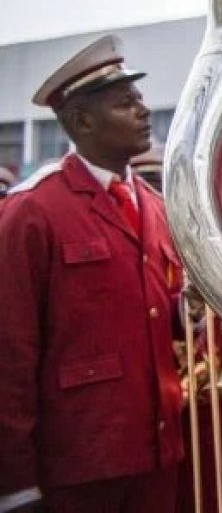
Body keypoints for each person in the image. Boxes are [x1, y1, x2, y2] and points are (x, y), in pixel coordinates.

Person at [0, 35, 183, 512]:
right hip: (77, 465)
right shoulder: (32, 210)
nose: (143, 112)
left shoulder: (156, 208)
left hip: (158, 454)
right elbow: (10, 353)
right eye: (126, 103)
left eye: (140, 100)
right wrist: (15, 485)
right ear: (81, 121)